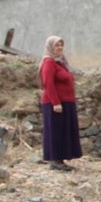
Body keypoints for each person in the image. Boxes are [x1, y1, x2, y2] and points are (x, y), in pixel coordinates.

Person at [39, 36, 82, 172]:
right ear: (50, 47)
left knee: (63, 131)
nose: (60, 48)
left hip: (66, 102)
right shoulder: (49, 62)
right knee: (56, 131)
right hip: (56, 104)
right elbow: (48, 84)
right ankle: (55, 160)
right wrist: (56, 103)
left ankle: (60, 159)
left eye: (61, 45)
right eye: (57, 45)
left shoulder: (60, 63)